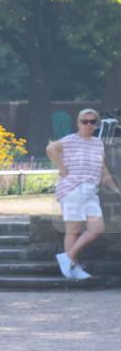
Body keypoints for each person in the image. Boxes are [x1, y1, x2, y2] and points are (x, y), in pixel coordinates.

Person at [46, 108, 121, 280]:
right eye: (84, 121)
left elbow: (103, 169)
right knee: (73, 230)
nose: (88, 124)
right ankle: (73, 268)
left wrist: (115, 188)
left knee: (97, 228)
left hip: (90, 191)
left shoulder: (98, 143)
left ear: (96, 124)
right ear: (78, 123)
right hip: (73, 189)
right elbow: (50, 148)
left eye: (92, 121)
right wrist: (62, 168)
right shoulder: (70, 140)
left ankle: (68, 258)